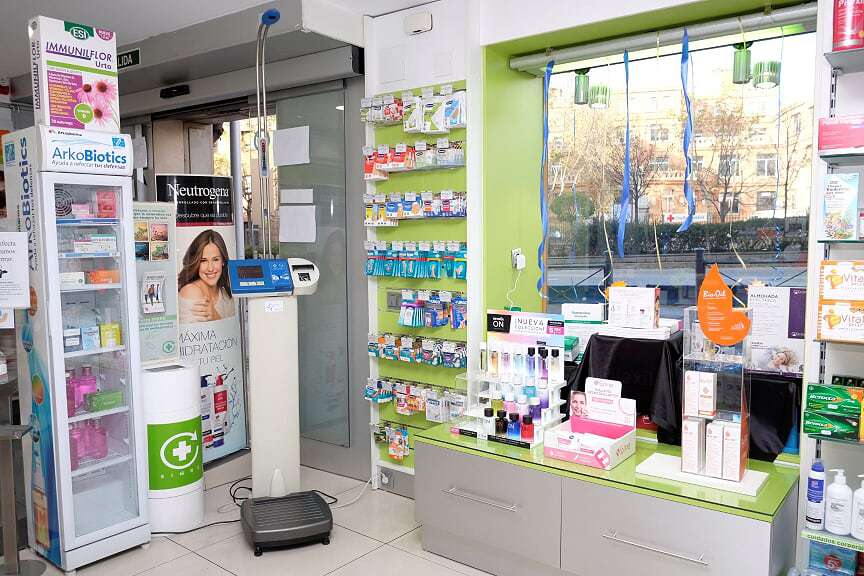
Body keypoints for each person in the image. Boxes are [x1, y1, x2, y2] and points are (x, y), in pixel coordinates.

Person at [178, 230, 235, 323]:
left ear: (223, 261)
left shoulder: (226, 295)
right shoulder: (191, 291)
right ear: (196, 263)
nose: (210, 268)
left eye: (215, 259)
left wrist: (215, 315)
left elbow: (232, 330)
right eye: (203, 260)